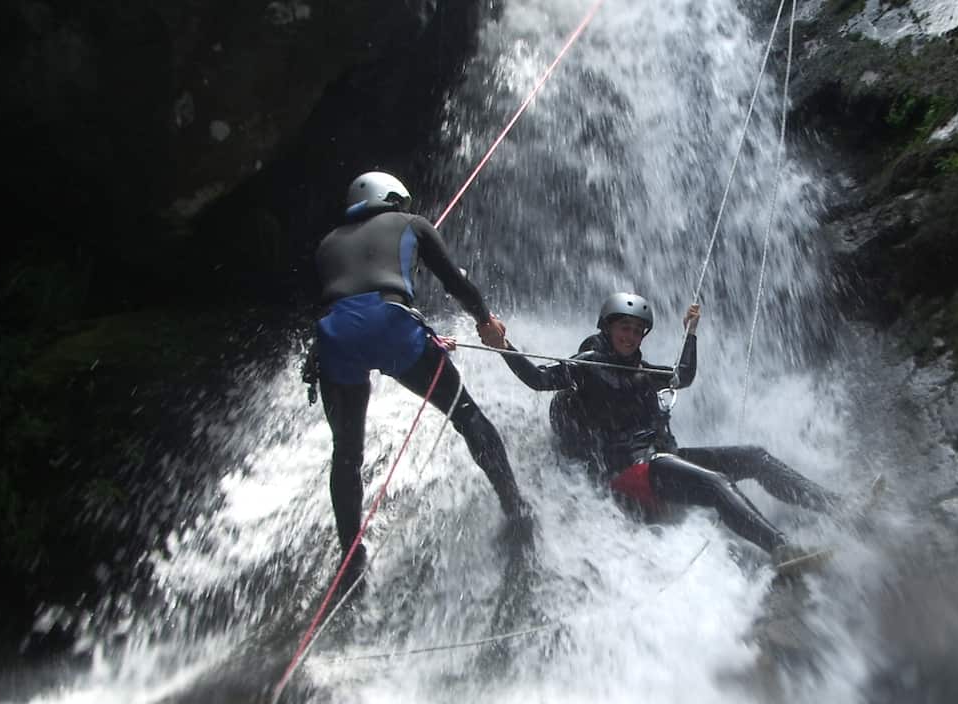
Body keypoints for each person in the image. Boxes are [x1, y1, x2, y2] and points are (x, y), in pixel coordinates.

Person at [479, 292, 839, 564]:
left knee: (756, 457)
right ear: (607, 326)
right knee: (716, 483)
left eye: (637, 331)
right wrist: (503, 346)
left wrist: (691, 333)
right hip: (626, 471)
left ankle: (840, 509)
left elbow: (683, 376)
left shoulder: (642, 371)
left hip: (658, 459)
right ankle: (781, 549)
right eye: (624, 327)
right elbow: (539, 379)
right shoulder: (586, 364)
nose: (631, 336)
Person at [312, 171, 531, 589]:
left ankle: (351, 561)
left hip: (334, 339)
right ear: (393, 198)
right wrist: (484, 320)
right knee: (465, 413)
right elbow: (455, 282)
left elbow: (343, 302)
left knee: (346, 454)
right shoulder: (412, 224)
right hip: (393, 329)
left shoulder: (327, 243)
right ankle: (515, 508)